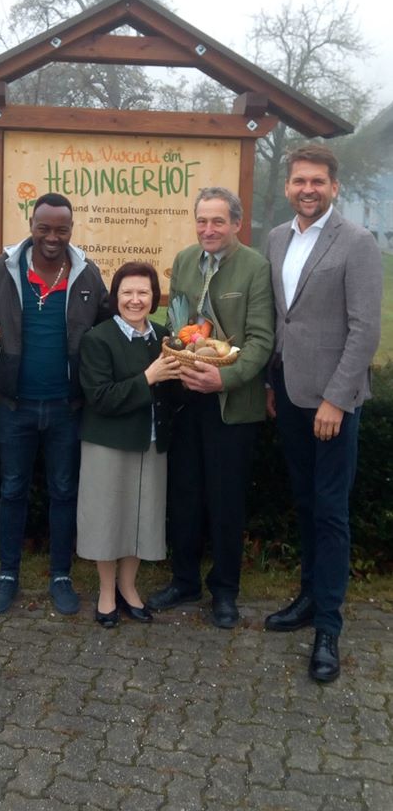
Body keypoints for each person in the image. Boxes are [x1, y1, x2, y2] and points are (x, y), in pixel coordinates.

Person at [264, 144, 382, 682]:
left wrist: (337, 398)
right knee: (306, 502)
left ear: (334, 186)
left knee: (331, 511)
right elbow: (281, 321)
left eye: (318, 181)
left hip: (333, 403)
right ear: (288, 187)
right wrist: (273, 382)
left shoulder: (356, 243)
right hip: (290, 395)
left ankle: (329, 627)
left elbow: (365, 329)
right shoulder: (277, 239)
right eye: (299, 181)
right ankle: (309, 598)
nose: (307, 189)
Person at [0, 193, 110, 616]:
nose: (52, 237)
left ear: (72, 230)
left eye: (61, 229)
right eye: (44, 228)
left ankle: (60, 575)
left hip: (67, 407)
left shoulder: (87, 274)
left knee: (64, 491)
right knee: (12, 489)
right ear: (31, 224)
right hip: (14, 405)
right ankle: (7, 575)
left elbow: (108, 332)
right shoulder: (3, 269)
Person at [148, 187, 274, 628]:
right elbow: (177, 322)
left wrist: (225, 377)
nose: (208, 229)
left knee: (225, 500)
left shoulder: (255, 267)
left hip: (231, 404)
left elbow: (261, 339)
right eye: (202, 220)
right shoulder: (184, 259)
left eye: (218, 221)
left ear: (236, 224)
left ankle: (224, 591)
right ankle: (184, 580)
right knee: (183, 494)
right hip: (186, 397)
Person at [77, 262, 182, 628]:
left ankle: (129, 587)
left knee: (141, 517)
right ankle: (107, 592)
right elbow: (100, 397)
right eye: (127, 293)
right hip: (108, 443)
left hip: (151, 441)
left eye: (143, 293)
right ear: (115, 297)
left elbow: (172, 391)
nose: (135, 300)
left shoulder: (164, 337)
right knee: (107, 519)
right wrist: (148, 378)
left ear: (154, 298)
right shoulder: (98, 339)